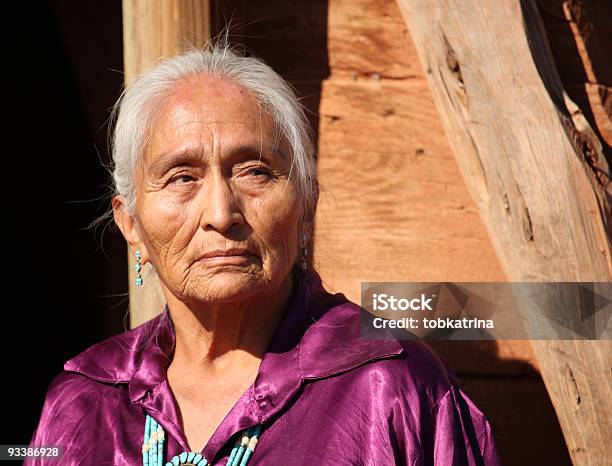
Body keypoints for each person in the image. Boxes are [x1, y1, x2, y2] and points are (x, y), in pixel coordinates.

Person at [26, 43, 501, 465]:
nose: (220, 212)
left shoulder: (390, 390)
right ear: (130, 222)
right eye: (182, 177)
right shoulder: (82, 404)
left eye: (254, 172)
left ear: (307, 203)